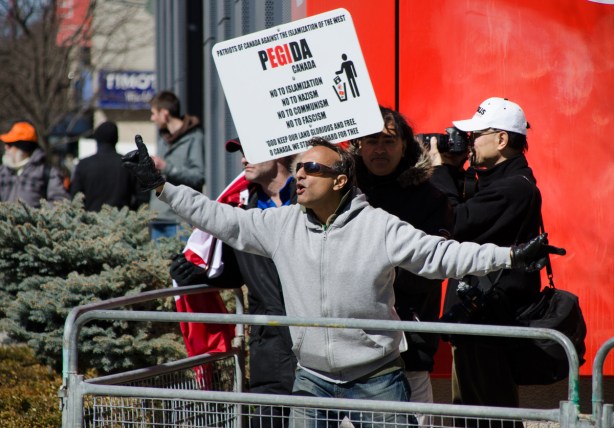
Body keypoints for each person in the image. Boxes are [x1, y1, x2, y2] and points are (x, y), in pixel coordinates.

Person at [123, 135, 563, 427]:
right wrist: (162, 187)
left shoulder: (380, 227)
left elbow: (441, 255)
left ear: (340, 180)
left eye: (311, 168)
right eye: (297, 167)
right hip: (310, 378)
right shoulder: (280, 225)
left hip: (378, 378)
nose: (299, 174)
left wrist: (509, 255)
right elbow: (220, 218)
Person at [430, 97, 547, 426]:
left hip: (489, 323)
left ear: (502, 139)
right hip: (474, 319)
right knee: (469, 413)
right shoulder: (497, 181)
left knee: (489, 415)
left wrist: (440, 168)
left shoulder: (514, 188)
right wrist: (453, 168)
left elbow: (454, 220)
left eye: (475, 135)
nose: (469, 143)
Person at [170, 137, 298, 428]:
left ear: (279, 151)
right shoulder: (239, 206)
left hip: (317, 345)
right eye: (241, 153)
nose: (243, 160)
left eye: (250, 152)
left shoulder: (313, 201)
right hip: (270, 347)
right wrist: (200, 275)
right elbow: (235, 272)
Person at [351, 106, 453, 412]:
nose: (379, 149)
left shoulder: (430, 199)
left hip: (407, 354)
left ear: (404, 145)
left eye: (388, 140)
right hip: (346, 356)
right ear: (358, 146)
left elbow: (429, 270)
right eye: (371, 140)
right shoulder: (340, 194)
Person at [148, 90, 205, 240]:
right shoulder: (163, 138)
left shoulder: (194, 138)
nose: (152, 118)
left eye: (154, 113)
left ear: (165, 113)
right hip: (158, 216)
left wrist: (166, 167)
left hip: (180, 220)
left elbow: (198, 176)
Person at [70, 121, 141, 211]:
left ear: (96, 139)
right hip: (122, 221)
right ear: (116, 139)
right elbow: (142, 196)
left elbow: (75, 198)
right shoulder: (128, 164)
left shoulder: (83, 165)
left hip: (90, 221)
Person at [0, 120, 69, 207]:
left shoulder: (47, 173)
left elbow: (60, 204)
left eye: (10, 144)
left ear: (23, 148)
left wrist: (37, 215)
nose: (6, 147)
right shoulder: (2, 172)